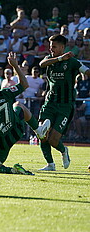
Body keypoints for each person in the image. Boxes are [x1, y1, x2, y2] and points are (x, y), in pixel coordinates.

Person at [38, 34, 90, 171]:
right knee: (41, 134)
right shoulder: (50, 59)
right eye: (50, 47)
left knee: (53, 140)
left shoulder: (73, 62)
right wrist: (60, 58)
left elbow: (87, 71)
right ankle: (50, 164)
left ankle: (63, 151)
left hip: (65, 106)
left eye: (54, 47)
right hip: (50, 102)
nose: (51, 49)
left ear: (62, 47)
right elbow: (41, 64)